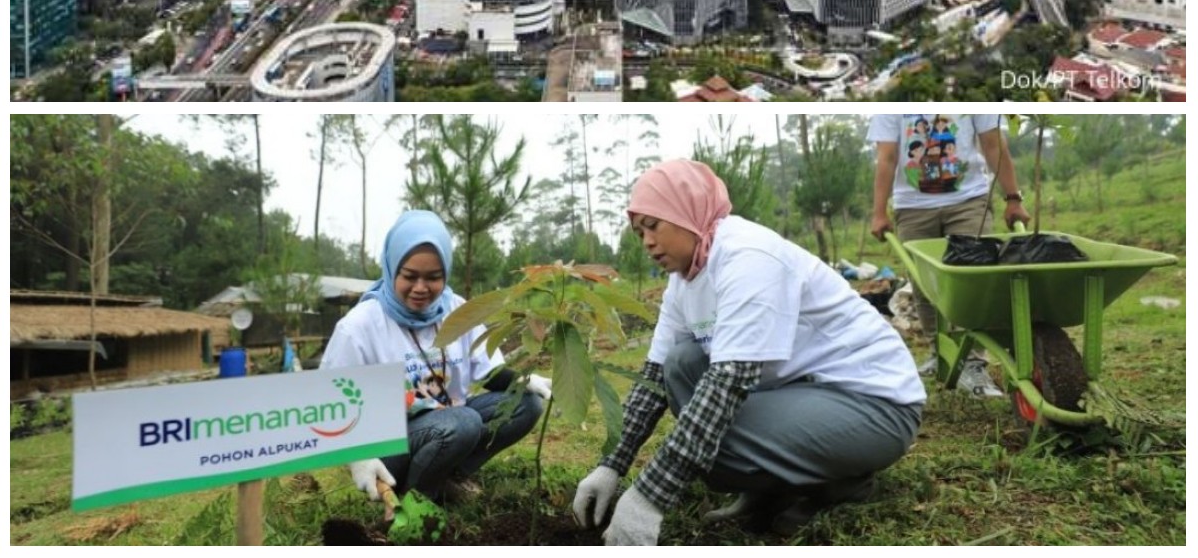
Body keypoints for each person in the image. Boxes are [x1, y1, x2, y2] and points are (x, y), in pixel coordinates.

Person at [572, 160, 925, 546]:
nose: (647, 242)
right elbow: (654, 380)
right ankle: (771, 490)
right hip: (805, 391)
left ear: (685, 211)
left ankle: (842, 482)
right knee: (682, 362)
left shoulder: (748, 257)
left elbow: (729, 382)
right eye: (639, 232)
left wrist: (649, 497)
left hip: (875, 404)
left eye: (653, 225)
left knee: (709, 445)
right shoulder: (684, 279)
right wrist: (611, 465)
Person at [322, 210, 551, 503]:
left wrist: (523, 381)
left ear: (446, 272)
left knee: (525, 404)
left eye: (433, 277)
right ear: (391, 269)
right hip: (390, 447)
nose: (421, 288)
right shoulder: (359, 327)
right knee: (464, 422)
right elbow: (330, 403)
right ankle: (416, 496)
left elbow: (488, 372)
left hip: (451, 422)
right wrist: (358, 456)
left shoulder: (456, 310)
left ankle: (447, 477)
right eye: (409, 276)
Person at [868, 114, 1031, 397]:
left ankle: (973, 361)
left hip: (968, 201)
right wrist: (879, 212)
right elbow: (887, 157)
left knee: (973, 279)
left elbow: (993, 144)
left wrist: (1013, 198)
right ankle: (940, 352)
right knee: (924, 284)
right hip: (913, 207)